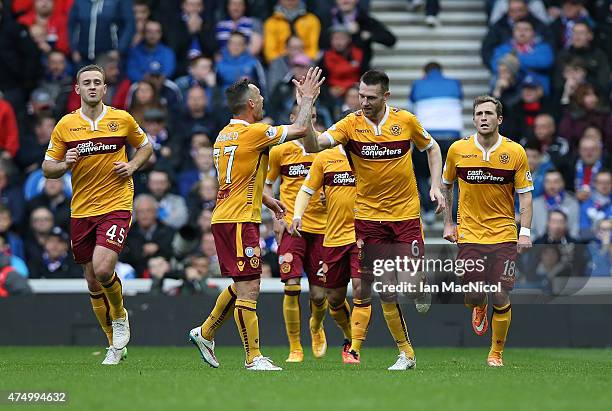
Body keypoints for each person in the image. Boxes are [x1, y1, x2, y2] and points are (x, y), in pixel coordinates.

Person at [301, 69, 444, 370]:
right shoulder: (350, 125)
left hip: (405, 215)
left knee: (410, 286)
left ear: (386, 97)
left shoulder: (405, 121)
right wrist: (306, 105)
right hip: (368, 219)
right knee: (385, 289)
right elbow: (314, 146)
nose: (363, 102)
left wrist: (435, 184)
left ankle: (420, 287)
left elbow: (432, 148)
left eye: (370, 97)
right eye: (361, 95)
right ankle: (406, 353)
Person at [187, 68, 325, 371]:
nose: (262, 101)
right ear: (250, 104)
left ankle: (206, 332)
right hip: (238, 220)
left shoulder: (224, 135)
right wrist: (307, 99)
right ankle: (253, 357)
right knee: (250, 288)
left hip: (227, 216)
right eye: (259, 97)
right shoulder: (254, 132)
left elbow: (237, 178)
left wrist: (267, 200)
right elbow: (301, 130)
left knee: (241, 283)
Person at [41, 64, 154, 365]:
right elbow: (47, 168)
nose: (92, 87)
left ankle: (120, 316)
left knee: (104, 269)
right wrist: (64, 164)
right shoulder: (66, 125)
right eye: (86, 82)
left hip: (116, 204)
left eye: (98, 82)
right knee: (92, 281)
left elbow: (145, 147)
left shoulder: (121, 119)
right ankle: (114, 347)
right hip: (81, 210)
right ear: (77, 89)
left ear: (105, 88)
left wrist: (131, 166)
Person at [442, 95, 534, 367]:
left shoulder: (515, 151)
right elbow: (447, 186)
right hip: (469, 233)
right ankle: (478, 305)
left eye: (489, 113)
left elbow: (526, 195)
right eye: (479, 113)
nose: (483, 118)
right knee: (473, 295)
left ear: (499, 119)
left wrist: (525, 231)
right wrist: (449, 223)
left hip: (504, 234)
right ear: (473, 119)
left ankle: (496, 353)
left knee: (501, 293)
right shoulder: (458, 150)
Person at [265, 105, 328, 363]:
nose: (309, 122)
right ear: (293, 119)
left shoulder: (327, 148)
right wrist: (276, 218)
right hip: (293, 226)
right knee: (291, 285)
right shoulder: (281, 150)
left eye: (313, 118)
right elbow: (266, 184)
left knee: (319, 294)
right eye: (304, 118)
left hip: (324, 228)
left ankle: (316, 326)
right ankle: (295, 347)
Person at [289, 142, 360, 363]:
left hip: (362, 235)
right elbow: (307, 189)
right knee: (332, 298)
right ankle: (319, 325)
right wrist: (297, 215)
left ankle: (353, 346)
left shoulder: (369, 156)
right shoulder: (325, 158)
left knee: (360, 289)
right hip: (334, 237)